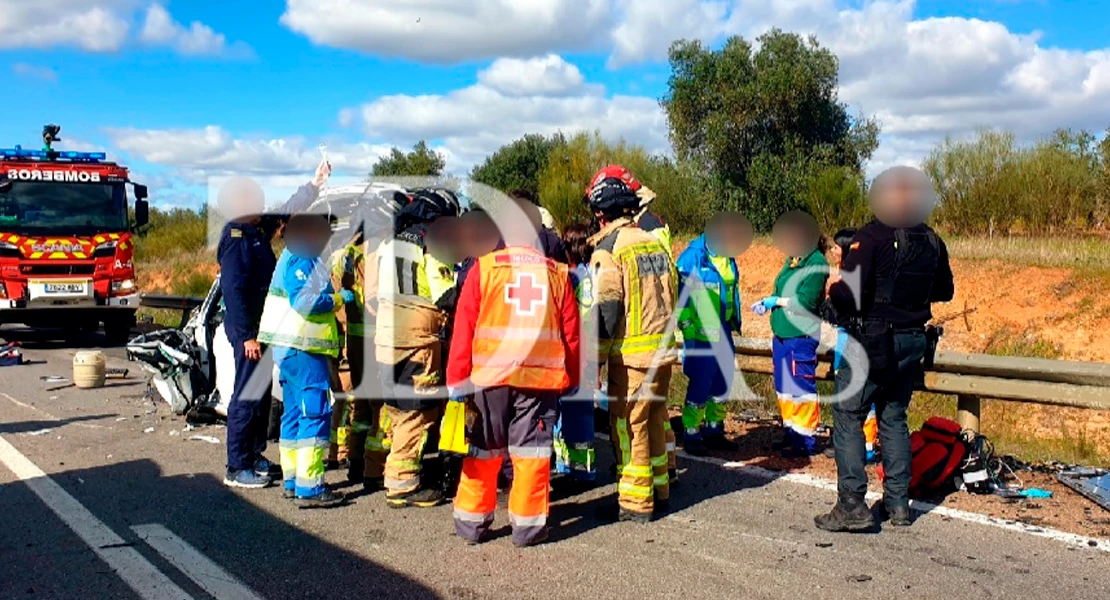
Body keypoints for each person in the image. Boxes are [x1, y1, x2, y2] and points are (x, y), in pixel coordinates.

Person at [815, 166, 954, 532]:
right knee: (893, 418)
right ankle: (898, 505)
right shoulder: (932, 240)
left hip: (871, 341)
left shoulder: (871, 237)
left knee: (848, 417)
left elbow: (850, 293)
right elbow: (945, 291)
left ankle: (851, 505)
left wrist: (834, 292)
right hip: (912, 341)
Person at [447, 198, 581, 547]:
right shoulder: (557, 274)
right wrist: (573, 377)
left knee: (483, 450)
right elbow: (571, 334)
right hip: (539, 381)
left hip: (489, 380)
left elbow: (465, 326)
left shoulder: (484, 268)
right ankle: (528, 529)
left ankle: (471, 524)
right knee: (531, 454)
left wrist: (456, 377)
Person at [217, 160, 330, 489]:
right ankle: (237, 466)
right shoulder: (237, 237)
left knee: (263, 395)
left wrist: (316, 183)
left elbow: (287, 210)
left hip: (263, 329)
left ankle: (254, 454)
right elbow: (233, 291)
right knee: (247, 395)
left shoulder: (255, 227)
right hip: (248, 332)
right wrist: (246, 336)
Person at [588, 176, 678, 523]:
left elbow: (607, 310)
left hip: (632, 358)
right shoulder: (654, 243)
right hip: (662, 352)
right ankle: (660, 491)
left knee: (628, 426)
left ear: (600, 214)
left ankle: (635, 502)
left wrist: (595, 359)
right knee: (655, 420)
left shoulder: (609, 249)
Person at [258, 211, 351, 508]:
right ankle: (310, 488)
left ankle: (292, 480)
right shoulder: (301, 256)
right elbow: (304, 302)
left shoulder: (299, 254)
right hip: (303, 349)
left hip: (291, 349)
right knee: (315, 413)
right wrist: (338, 299)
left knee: (294, 415)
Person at [375, 189, 459, 508]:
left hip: (385, 338)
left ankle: (395, 472)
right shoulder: (433, 242)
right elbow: (446, 295)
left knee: (397, 408)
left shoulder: (389, 244)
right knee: (418, 411)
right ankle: (403, 485)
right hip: (417, 340)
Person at [752, 211, 829, 458]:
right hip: (783, 335)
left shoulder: (816, 263)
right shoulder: (794, 259)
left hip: (801, 336)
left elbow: (805, 301)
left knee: (801, 387)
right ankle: (791, 431)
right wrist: (769, 303)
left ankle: (805, 439)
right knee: (784, 387)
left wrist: (778, 301)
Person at [675, 212, 751, 457]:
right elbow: (682, 300)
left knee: (723, 379)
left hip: (724, 327)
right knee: (701, 382)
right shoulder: (692, 258)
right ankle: (691, 432)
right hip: (701, 332)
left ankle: (714, 429)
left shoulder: (727, 256)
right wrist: (689, 333)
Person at [821, 229, 879, 463]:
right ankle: (850, 443)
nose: (833, 250)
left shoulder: (853, 274)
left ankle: (864, 445)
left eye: (836, 246)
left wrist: (832, 292)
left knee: (857, 395)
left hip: (851, 338)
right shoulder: (848, 272)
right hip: (844, 336)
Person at [553, 222, 596, 484]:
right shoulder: (591, 276)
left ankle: (568, 467)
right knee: (582, 414)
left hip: (570, 354)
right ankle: (584, 468)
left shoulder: (568, 279)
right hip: (589, 357)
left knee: (564, 413)